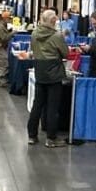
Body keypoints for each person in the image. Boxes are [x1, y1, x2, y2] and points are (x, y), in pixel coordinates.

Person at [28, 9, 69, 148]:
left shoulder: (34, 33)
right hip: (54, 73)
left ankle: (32, 136)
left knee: (37, 105)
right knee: (52, 107)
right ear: (52, 21)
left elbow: (33, 50)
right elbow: (65, 53)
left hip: (40, 72)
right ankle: (51, 138)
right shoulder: (56, 36)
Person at [0, 11, 13, 87]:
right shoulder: (0, 26)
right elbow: (4, 37)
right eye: (9, 18)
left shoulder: (2, 25)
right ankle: (3, 81)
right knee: (4, 63)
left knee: (0, 63)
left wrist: (9, 31)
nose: (10, 20)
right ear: (5, 18)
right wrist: (13, 33)